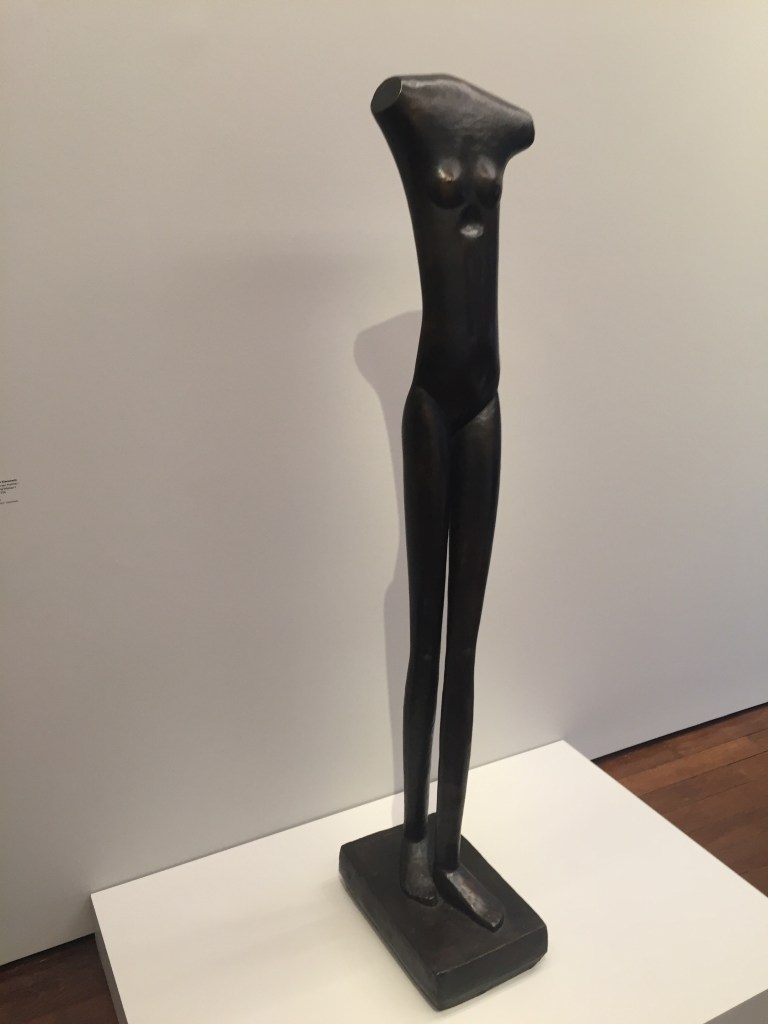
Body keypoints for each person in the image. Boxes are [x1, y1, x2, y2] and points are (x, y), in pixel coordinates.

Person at [371, 74, 535, 930]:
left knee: (465, 643)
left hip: (485, 404)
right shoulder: (407, 107)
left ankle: (450, 846)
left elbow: (527, 124)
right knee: (427, 643)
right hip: (433, 405)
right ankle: (411, 836)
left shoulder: (502, 126)